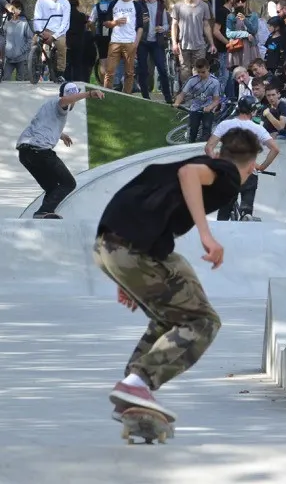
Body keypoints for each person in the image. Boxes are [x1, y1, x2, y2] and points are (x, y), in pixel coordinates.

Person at [95, 128, 261, 424]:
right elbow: (189, 174)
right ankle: (138, 383)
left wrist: (127, 278)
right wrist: (206, 234)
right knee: (203, 321)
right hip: (133, 250)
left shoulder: (202, 163)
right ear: (251, 166)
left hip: (111, 245)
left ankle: (132, 386)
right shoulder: (227, 174)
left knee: (171, 315)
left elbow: (148, 191)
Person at [19, 83, 104, 220]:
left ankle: (43, 213)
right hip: (40, 152)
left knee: (52, 187)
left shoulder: (47, 106)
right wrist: (88, 94)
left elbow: (41, 125)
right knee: (68, 183)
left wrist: (61, 134)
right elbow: (64, 101)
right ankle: (44, 210)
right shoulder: (61, 105)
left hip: (25, 153)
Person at [206, 96, 279, 221]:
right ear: (253, 111)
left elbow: (208, 148)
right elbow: (275, 149)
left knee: (224, 211)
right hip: (249, 173)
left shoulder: (225, 124)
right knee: (247, 207)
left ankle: (221, 231)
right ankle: (246, 214)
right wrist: (262, 167)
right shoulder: (258, 128)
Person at [175, 59, 222, 144]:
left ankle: (203, 150)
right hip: (195, 108)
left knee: (206, 132)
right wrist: (177, 102)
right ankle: (191, 146)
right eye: (198, 72)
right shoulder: (192, 80)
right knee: (192, 131)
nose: (200, 74)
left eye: (203, 72)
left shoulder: (215, 82)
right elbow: (182, 94)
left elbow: (216, 100)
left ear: (208, 68)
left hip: (208, 110)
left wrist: (209, 107)